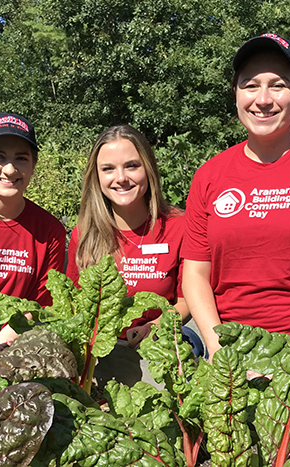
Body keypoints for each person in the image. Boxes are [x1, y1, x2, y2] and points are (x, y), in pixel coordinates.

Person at [182, 33, 290, 362]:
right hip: (230, 350)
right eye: (250, 85)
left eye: (278, 84)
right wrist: (220, 351)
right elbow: (195, 275)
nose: (262, 99)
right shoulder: (209, 176)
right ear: (235, 94)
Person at [66, 124, 203, 356]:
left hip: (158, 345)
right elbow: (73, 306)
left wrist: (155, 326)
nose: (121, 178)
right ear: (96, 176)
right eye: (108, 169)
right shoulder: (85, 233)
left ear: (148, 169)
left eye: (132, 166)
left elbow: (185, 300)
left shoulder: (178, 226)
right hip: (98, 355)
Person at [0, 112, 66, 348]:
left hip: (18, 348)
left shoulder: (50, 231)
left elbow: (44, 304)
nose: (9, 169)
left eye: (21, 158)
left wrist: (16, 328)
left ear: (34, 165)